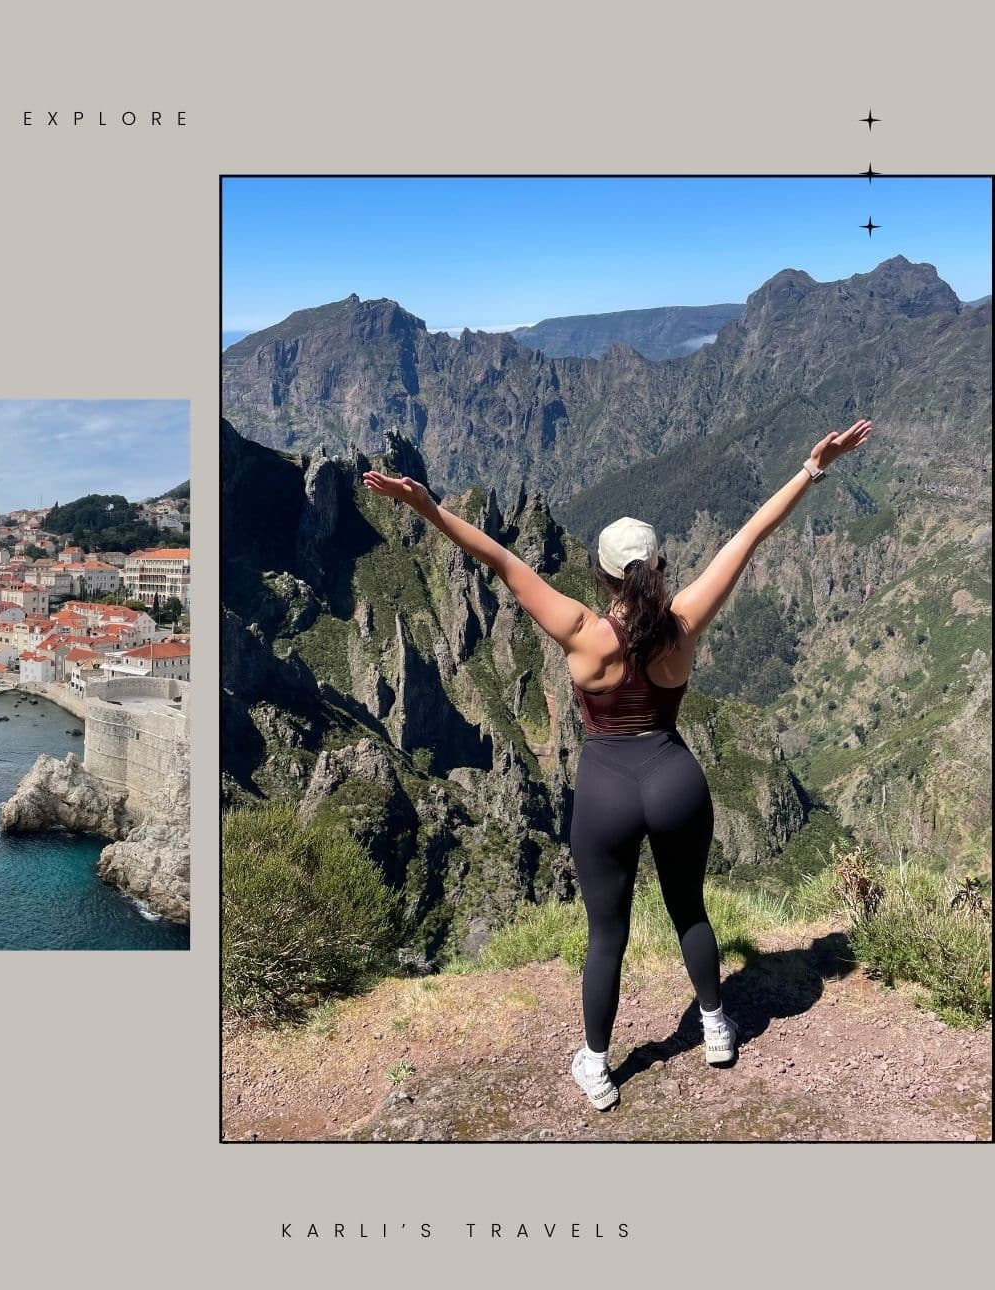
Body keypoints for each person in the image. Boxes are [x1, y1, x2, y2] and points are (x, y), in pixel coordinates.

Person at [362, 417, 873, 1111]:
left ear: (600, 572)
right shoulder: (684, 621)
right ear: (659, 568)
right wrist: (814, 467)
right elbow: (750, 537)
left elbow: (499, 560)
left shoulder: (578, 630)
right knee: (689, 907)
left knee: (608, 933)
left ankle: (599, 1066)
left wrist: (425, 507)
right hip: (674, 777)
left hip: (606, 784)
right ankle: (717, 1026)